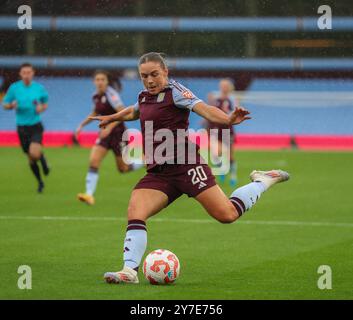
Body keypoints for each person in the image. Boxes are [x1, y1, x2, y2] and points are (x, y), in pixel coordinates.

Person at [90, 52, 290, 284]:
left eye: (154, 74)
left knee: (227, 215)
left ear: (166, 72)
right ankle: (129, 271)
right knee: (136, 211)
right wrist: (112, 117)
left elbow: (204, 108)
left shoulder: (176, 92)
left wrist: (227, 119)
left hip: (187, 166)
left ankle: (263, 181)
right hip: (159, 173)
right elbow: (135, 111)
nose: (150, 80)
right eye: (144, 76)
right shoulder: (144, 96)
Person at [76, 70, 143, 205]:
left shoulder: (112, 95)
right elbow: (95, 111)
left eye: (102, 80)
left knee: (123, 168)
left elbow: (122, 113)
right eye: (97, 79)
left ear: (107, 82)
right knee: (94, 161)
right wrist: (81, 125)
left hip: (118, 134)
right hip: (105, 134)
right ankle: (89, 195)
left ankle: (144, 160)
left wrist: (110, 127)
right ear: (94, 81)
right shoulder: (95, 96)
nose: (100, 82)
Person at [2, 63, 50, 193]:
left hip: (35, 125)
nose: (27, 75)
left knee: (34, 153)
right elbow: (4, 104)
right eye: (24, 72)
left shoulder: (39, 88)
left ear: (33, 73)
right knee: (31, 158)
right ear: (20, 74)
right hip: (22, 127)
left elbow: (45, 102)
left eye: (29, 72)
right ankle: (40, 181)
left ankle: (42, 158)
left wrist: (42, 107)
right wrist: (11, 105)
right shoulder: (14, 88)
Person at [207, 78, 239, 186]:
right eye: (222, 85)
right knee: (216, 154)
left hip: (227, 130)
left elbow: (235, 114)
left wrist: (229, 112)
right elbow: (211, 113)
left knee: (230, 155)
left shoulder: (233, 100)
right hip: (216, 130)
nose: (224, 87)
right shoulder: (216, 98)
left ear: (229, 87)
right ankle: (222, 168)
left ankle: (233, 176)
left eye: (226, 86)